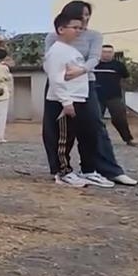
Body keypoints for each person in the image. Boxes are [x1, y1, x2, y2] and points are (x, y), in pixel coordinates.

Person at [43, 1, 138, 186]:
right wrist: (61, 78)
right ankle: (61, 170)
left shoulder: (94, 36)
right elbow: (49, 60)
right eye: (81, 15)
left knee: (94, 126)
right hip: (60, 85)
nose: (85, 19)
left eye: (87, 15)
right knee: (56, 129)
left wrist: (81, 71)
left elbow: (95, 58)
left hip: (85, 84)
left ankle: (105, 169)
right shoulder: (53, 37)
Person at [42, 14, 106, 187]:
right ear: (61, 29)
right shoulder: (57, 51)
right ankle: (63, 172)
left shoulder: (70, 50)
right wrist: (66, 102)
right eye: (74, 27)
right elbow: (56, 78)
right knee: (63, 139)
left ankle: (79, 171)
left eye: (80, 28)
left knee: (72, 135)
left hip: (76, 98)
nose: (78, 31)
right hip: (65, 101)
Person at [95, 45, 136, 146]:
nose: (107, 54)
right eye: (104, 52)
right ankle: (96, 140)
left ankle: (128, 139)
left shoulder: (118, 65)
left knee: (120, 118)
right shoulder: (94, 64)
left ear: (113, 54)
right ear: (100, 53)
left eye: (109, 52)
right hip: (96, 96)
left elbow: (126, 77)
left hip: (114, 96)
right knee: (95, 119)